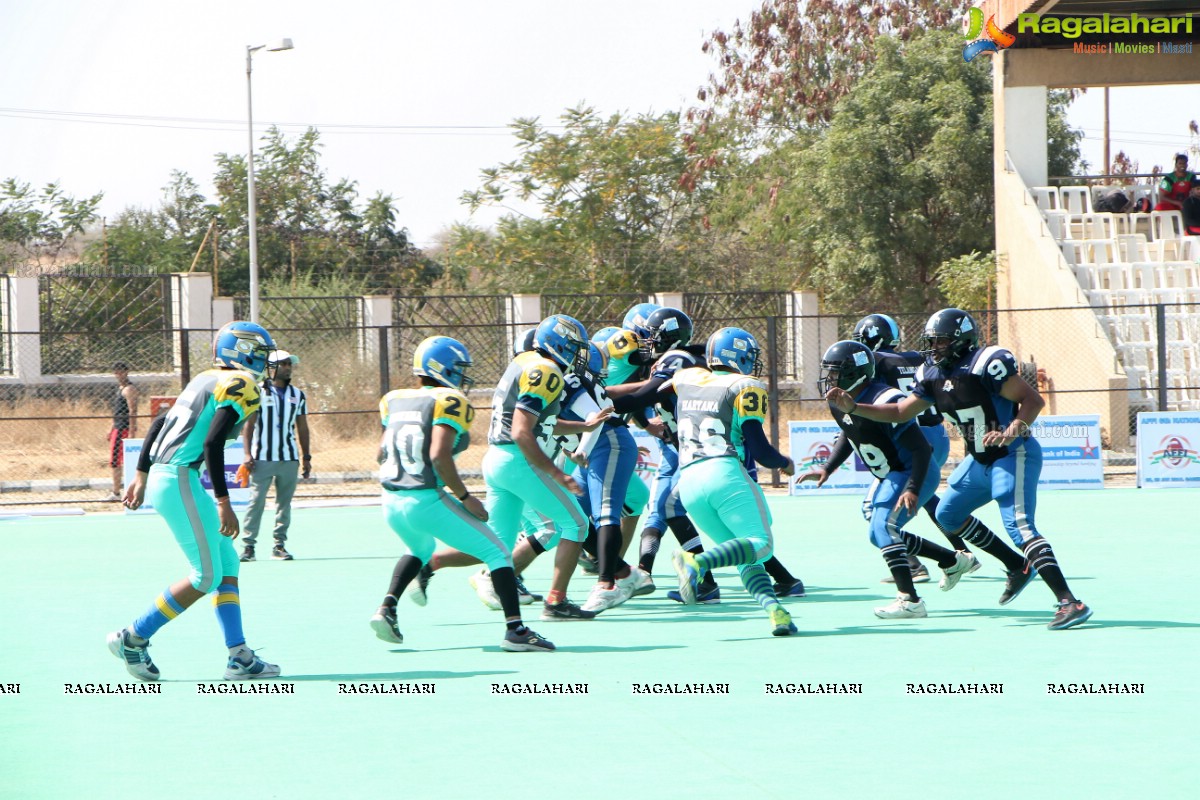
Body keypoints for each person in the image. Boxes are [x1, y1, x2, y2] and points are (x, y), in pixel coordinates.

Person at [826, 308, 1093, 630]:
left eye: (940, 341)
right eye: (932, 341)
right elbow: (899, 411)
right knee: (947, 515)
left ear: (961, 341)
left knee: (1020, 527)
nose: (934, 348)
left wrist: (1011, 431)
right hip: (978, 460)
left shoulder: (984, 366)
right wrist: (856, 408)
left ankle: (1069, 601)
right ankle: (1018, 567)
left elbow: (1033, 400)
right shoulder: (933, 375)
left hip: (1013, 454)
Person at [108, 321, 280, 681]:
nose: (266, 360)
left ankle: (239, 656)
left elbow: (159, 422)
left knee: (227, 561)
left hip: (171, 475)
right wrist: (223, 501)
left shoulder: (206, 378)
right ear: (242, 350)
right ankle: (134, 637)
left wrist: (141, 474)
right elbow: (212, 444)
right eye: (261, 352)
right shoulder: (240, 383)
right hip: (179, 477)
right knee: (205, 576)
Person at [369, 336, 554, 652]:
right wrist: (465, 497)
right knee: (498, 552)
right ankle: (516, 631)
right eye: (459, 368)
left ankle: (386, 609)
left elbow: (380, 452)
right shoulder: (448, 401)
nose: (463, 375)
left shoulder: (394, 399)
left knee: (420, 548)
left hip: (390, 500)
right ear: (443, 368)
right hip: (424, 497)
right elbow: (439, 454)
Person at [799, 341, 975, 618]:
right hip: (893, 474)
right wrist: (828, 467)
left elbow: (920, 449)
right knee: (877, 532)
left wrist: (914, 489)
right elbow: (850, 430)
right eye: (828, 372)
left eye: (836, 372)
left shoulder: (884, 399)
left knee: (884, 528)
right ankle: (951, 560)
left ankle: (910, 601)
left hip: (913, 471)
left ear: (855, 372)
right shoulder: (840, 401)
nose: (830, 379)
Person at [853, 313, 1025, 586]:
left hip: (911, 437)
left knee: (875, 514)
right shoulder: (915, 358)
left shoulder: (875, 362)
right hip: (938, 434)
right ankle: (961, 552)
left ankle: (917, 563)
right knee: (929, 497)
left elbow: (893, 408)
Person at [482, 314, 614, 620]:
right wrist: (556, 472)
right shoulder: (547, 370)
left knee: (496, 546)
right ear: (560, 344)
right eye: (575, 347)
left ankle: (424, 567)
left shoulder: (526, 361)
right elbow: (522, 431)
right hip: (517, 460)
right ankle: (556, 602)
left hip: (496, 458)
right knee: (577, 525)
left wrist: (583, 424)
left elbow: (543, 424)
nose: (580, 356)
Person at [669, 327, 799, 636]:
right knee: (762, 545)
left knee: (746, 554)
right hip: (723, 472)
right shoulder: (744, 385)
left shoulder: (688, 378)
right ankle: (697, 564)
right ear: (737, 355)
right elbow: (761, 451)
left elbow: (651, 391)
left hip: (688, 480)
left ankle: (775, 611)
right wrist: (785, 463)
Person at [239, 349, 310, 562]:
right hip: (262, 458)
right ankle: (249, 546)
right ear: (271, 368)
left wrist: (306, 457)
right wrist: (246, 453)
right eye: (284, 364)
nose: (288, 368)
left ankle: (279, 545)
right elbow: (248, 425)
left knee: (284, 503)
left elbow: (303, 427)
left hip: (288, 457)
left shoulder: (298, 395)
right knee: (256, 501)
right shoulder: (258, 392)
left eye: (290, 364)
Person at [105, 362, 139, 502]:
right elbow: (117, 412)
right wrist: (111, 428)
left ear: (126, 372)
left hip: (124, 429)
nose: (119, 375)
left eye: (121, 372)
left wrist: (131, 432)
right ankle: (117, 490)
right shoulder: (120, 388)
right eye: (116, 372)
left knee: (117, 461)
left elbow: (132, 411)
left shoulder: (129, 389)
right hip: (117, 428)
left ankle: (116, 492)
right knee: (115, 461)